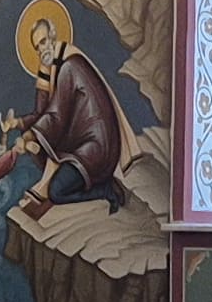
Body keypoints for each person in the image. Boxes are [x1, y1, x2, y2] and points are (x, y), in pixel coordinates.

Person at [15, 28, 130, 210]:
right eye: (37, 47)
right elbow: (41, 112)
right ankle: (49, 183)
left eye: (43, 41)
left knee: (56, 192)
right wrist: (19, 124)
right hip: (83, 146)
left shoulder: (69, 67)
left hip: (96, 149)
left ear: (53, 37)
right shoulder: (56, 67)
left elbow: (56, 116)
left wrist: (30, 135)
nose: (42, 50)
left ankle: (106, 189)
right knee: (40, 143)